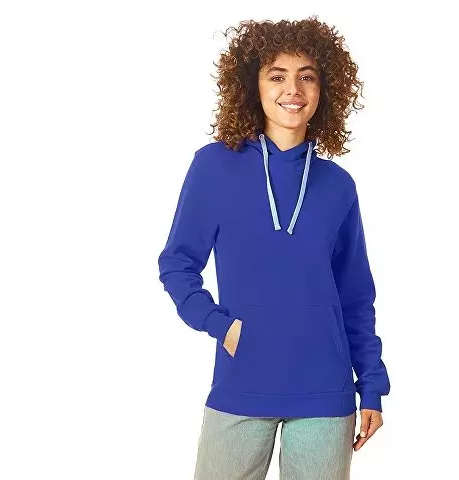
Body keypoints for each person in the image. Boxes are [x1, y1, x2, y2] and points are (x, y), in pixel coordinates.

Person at [158, 16, 391, 480]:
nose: (293, 90)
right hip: (241, 383)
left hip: (325, 393)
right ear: (254, 85)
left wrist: (371, 384)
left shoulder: (338, 185)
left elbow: (355, 296)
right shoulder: (214, 167)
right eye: (277, 76)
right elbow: (177, 264)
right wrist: (220, 326)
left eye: (307, 77)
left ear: (325, 89)